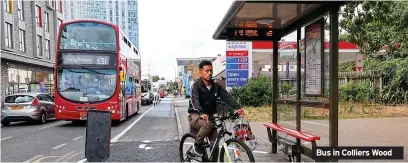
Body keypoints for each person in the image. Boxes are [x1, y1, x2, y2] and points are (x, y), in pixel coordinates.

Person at [187, 60, 244, 156]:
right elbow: (194, 100)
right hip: (195, 115)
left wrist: (237, 107)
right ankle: (197, 144)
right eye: (207, 71)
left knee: (215, 146)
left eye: (211, 70)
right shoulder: (196, 85)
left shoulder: (216, 86)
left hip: (209, 116)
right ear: (200, 72)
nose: (209, 73)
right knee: (209, 125)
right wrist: (201, 113)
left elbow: (227, 97)